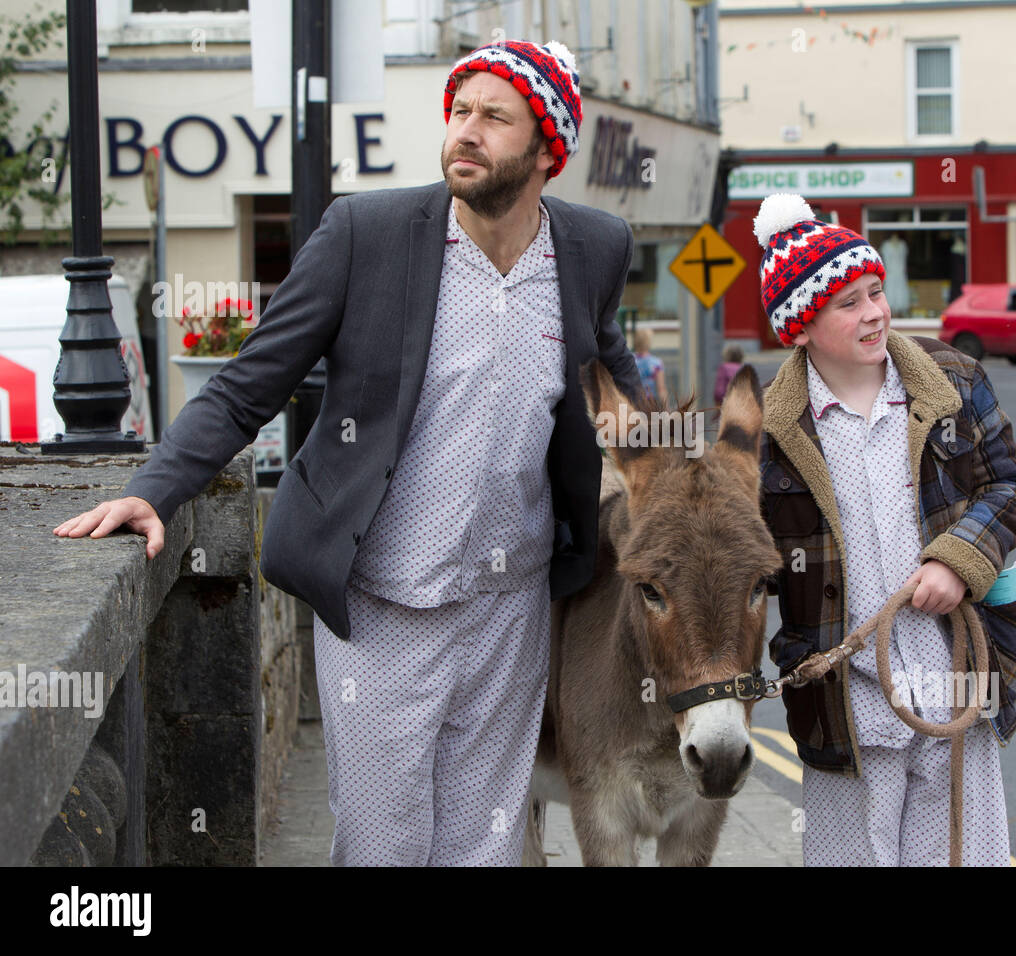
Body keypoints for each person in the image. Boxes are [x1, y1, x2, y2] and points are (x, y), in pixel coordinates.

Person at [51, 39, 643, 866]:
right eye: (459, 111)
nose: (465, 132)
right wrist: (158, 487)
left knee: (489, 847)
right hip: (380, 603)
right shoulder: (368, 234)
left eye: (494, 118)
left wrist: (659, 447)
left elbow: (609, 363)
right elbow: (246, 384)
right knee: (381, 846)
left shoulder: (594, 247)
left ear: (548, 150)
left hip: (511, 608)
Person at [753, 193, 1016, 866]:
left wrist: (955, 560)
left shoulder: (953, 380)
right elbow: (746, 564)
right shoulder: (769, 434)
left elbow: (1009, 486)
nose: (875, 313)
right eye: (848, 303)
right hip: (844, 698)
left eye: (876, 292)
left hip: (956, 680)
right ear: (800, 326)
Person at [632, 327, 667, 405]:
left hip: (632, 402)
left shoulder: (629, 360)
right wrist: (667, 409)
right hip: (649, 404)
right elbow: (661, 389)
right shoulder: (656, 363)